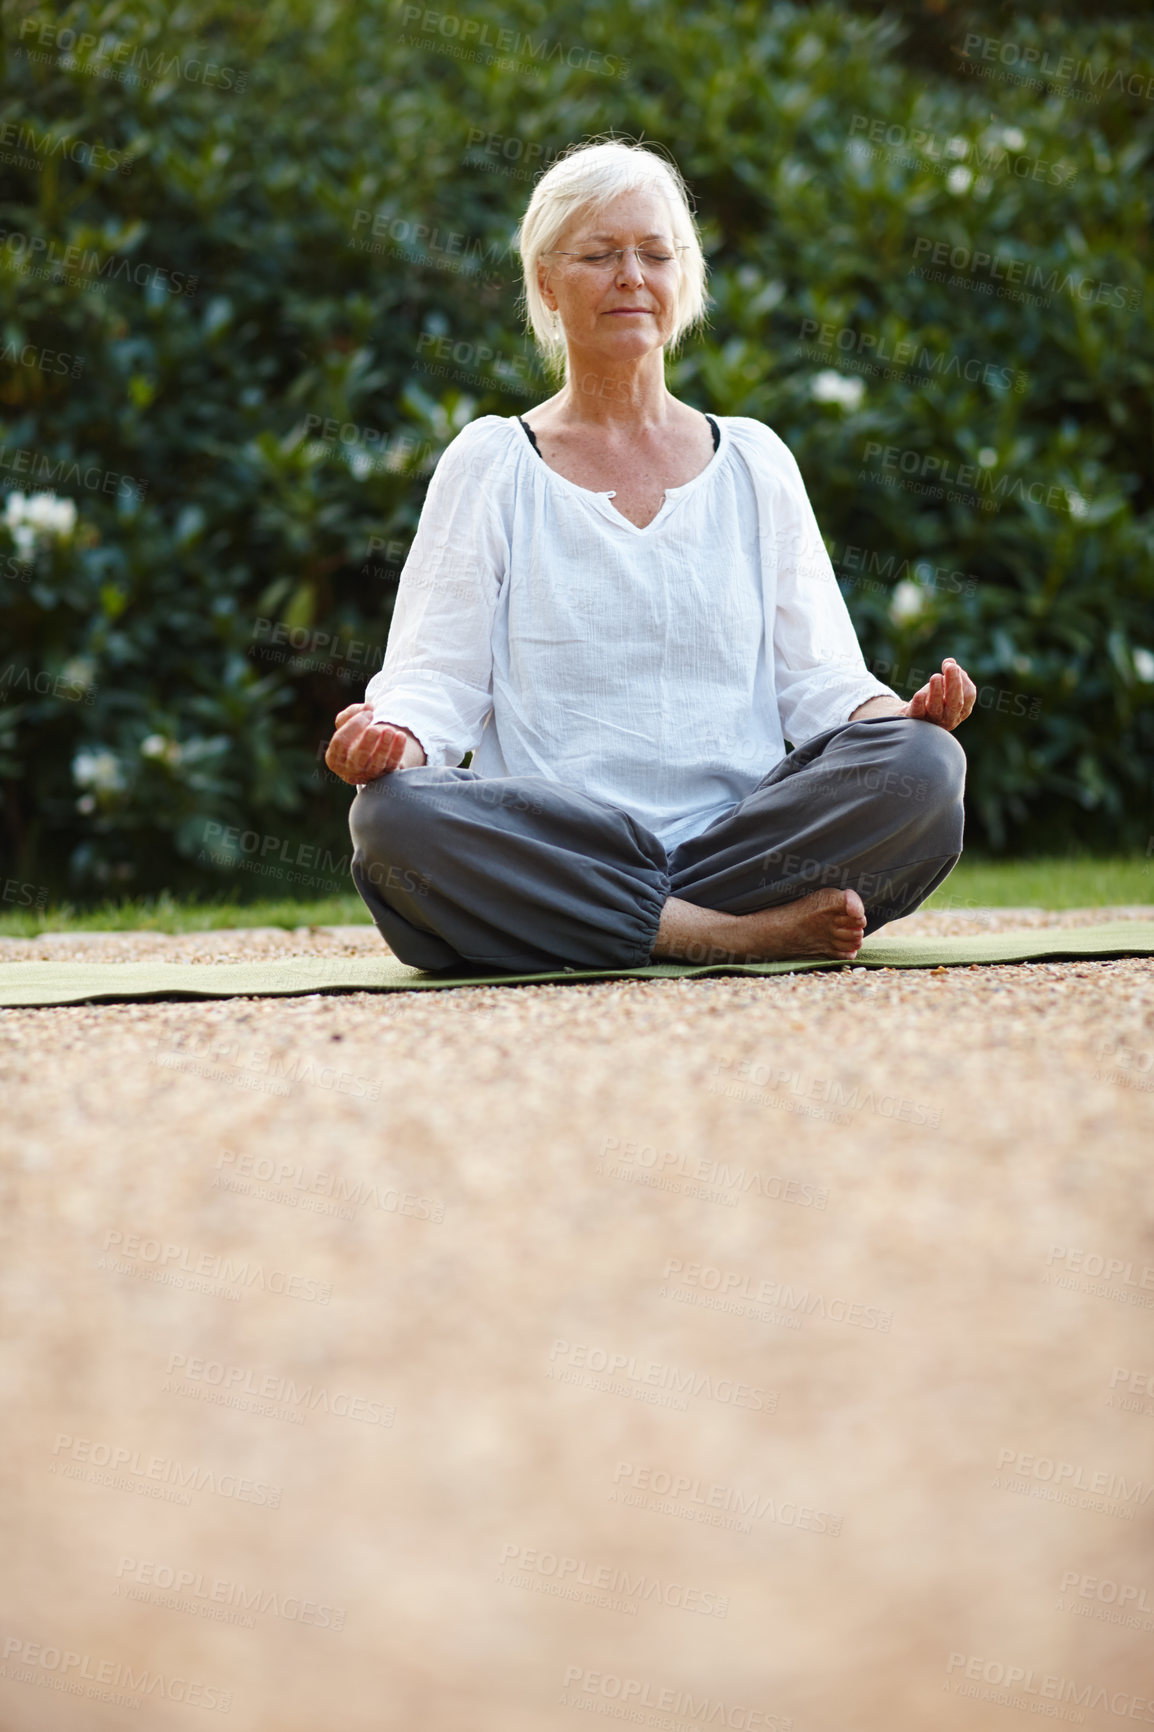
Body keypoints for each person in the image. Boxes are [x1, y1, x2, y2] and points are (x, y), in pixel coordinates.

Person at [325, 138, 975, 974]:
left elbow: (820, 681)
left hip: (736, 842)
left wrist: (903, 718)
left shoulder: (755, 460)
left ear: (684, 280)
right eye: (600, 254)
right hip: (561, 843)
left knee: (925, 768)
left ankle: (611, 918)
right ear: (548, 284)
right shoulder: (490, 462)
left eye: (656, 254)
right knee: (394, 819)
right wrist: (391, 739)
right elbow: (436, 680)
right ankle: (713, 933)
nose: (632, 275)